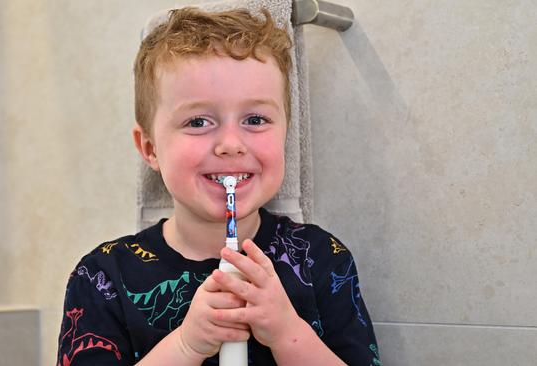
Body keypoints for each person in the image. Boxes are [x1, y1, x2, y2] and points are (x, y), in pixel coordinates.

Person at [57, 7, 380, 366]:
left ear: (286, 133)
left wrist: (289, 333)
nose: (230, 143)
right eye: (198, 121)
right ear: (150, 149)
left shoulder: (320, 258)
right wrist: (186, 347)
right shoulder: (103, 277)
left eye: (255, 119)